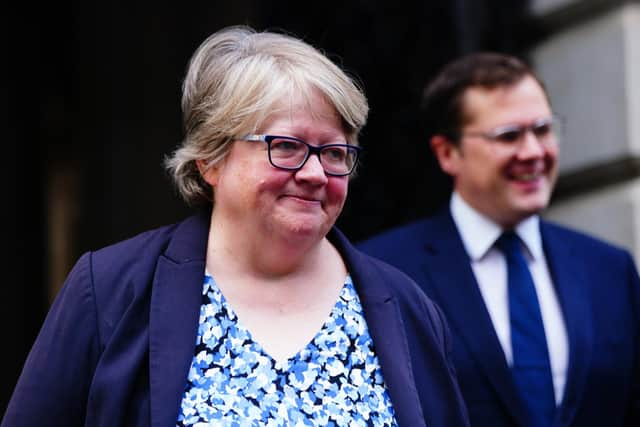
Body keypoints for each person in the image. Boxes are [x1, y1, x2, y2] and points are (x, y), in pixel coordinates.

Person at [2, 26, 469, 427]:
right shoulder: (108, 291)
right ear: (211, 158)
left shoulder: (406, 308)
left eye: (334, 153)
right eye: (286, 146)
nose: (314, 173)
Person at [358, 52, 640, 426]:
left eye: (542, 129)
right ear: (447, 153)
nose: (533, 152)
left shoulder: (609, 268)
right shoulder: (385, 272)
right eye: (508, 136)